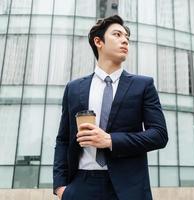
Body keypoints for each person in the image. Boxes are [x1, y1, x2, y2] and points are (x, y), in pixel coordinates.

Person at [53, 15, 168, 200]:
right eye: (117, 34)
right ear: (98, 41)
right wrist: (60, 187)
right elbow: (63, 139)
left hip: (129, 188)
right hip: (81, 185)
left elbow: (159, 135)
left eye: (127, 38)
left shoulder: (143, 85)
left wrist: (110, 140)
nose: (125, 40)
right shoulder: (74, 88)